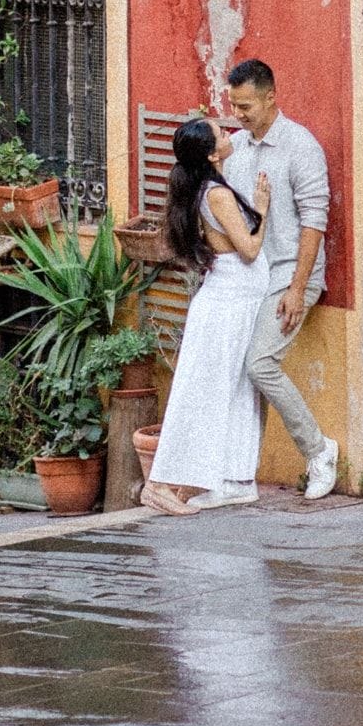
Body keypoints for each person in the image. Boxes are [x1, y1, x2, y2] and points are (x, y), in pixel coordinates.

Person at [141, 119, 274, 517]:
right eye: (220, 134)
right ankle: (159, 483)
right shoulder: (216, 195)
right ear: (212, 154)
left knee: (236, 390)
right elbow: (248, 249)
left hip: (235, 300)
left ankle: (236, 479)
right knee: (205, 392)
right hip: (228, 303)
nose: (228, 133)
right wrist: (263, 211)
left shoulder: (210, 187)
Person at [222, 58, 341, 500]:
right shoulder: (237, 148)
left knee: (259, 364)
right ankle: (238, 472)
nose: (238, 114)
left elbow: (315, 222)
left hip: (291, 275)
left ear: (272, 97)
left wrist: (297, 288)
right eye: (233, 105)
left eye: (246, 105)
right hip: (249, 278)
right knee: (236, 368)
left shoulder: (300, 146)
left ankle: (319, 450)